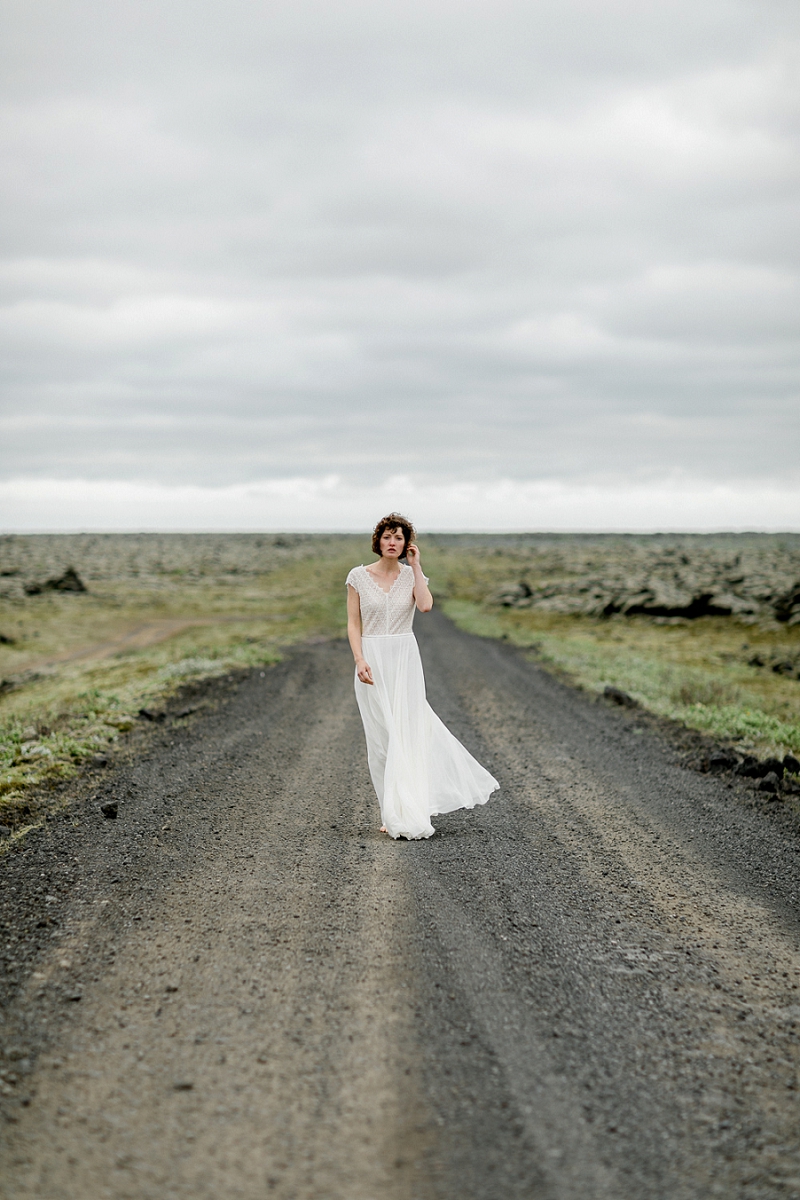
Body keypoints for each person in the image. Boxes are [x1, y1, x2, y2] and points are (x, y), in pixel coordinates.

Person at [346, 513, 499, 840]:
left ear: (406, 544)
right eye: (387, 537)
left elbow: (426, 606)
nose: (392, 542)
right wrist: (359, 659)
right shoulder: (358, 576)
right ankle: (390, 809)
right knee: (381, 739)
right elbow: (353, 623)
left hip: (404, 658)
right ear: (378, 541)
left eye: (399, 538)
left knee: (408, 733)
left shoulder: (411, 575)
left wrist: (416, 567)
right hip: (371, 660)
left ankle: (406, 807)